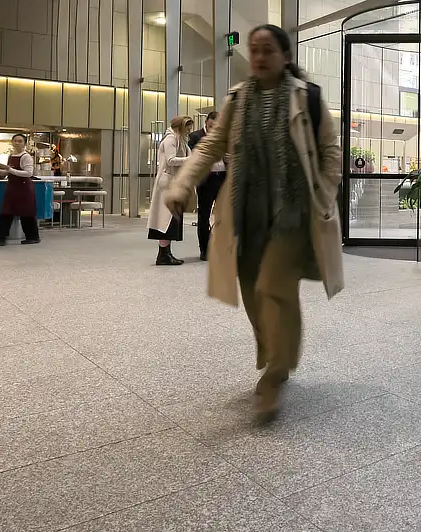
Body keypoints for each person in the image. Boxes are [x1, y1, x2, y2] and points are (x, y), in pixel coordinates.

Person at [163, 24, 343, 422]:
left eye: (268, 50)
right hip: (246, 212)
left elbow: (331, 152)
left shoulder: (306, 97)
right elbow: (211, 144)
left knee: (274, 286)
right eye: (254, 50)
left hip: (292, 213)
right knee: (250, 289)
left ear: (285, 56)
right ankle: (273, 351)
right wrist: (181, 184)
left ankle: (276, 372)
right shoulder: (239, 98)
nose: (259, 57)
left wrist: (324, 196)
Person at [146, 116, 194, 265]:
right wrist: (189, 160)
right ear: (181, 127)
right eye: (187, 128)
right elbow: (170, 160)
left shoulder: (180, 140)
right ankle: (163, 254)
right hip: (167, 185)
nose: (189, 131)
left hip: (174, 184)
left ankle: (166, 253)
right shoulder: (170, 140)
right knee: (165, 220)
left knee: (170, 221)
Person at [0, 133, 40, 246]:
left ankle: (33, 237)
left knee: (26, 213)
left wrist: (10, 170)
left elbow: (28, 173)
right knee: (6, 212)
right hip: (12, 187)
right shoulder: (11, 156)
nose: (17, 143)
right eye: (15, 140)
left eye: (20, 141)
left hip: (24, 188)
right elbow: (8, 172)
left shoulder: (26, 157)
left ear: (24, 144)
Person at [188, 111, 227, 261]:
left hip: (222, 177)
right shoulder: (195, 137)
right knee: (204, 215)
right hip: (206, 179)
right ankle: (205, 249)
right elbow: (191, 157)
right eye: (211, 126)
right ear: (206, 122)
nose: (213, 129)